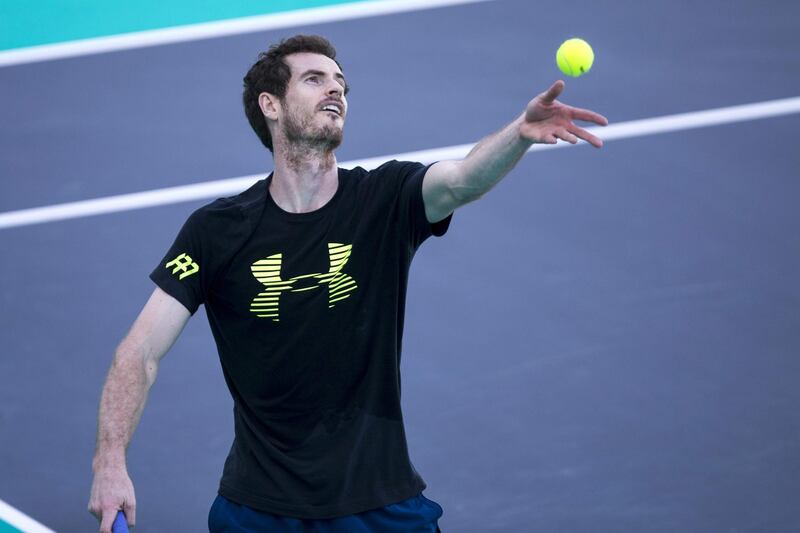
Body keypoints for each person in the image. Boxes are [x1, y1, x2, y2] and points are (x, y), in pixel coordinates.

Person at [87, 34, 607, 532]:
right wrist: (109, 465)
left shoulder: (385, 198)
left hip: (380, 505)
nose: (336, 89)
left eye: (341, 83)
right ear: (271, 105)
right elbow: (138, 352)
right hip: (259, 511)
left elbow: (463, 178)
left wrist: (518, 134)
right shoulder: (217, 232)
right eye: (314, 79)